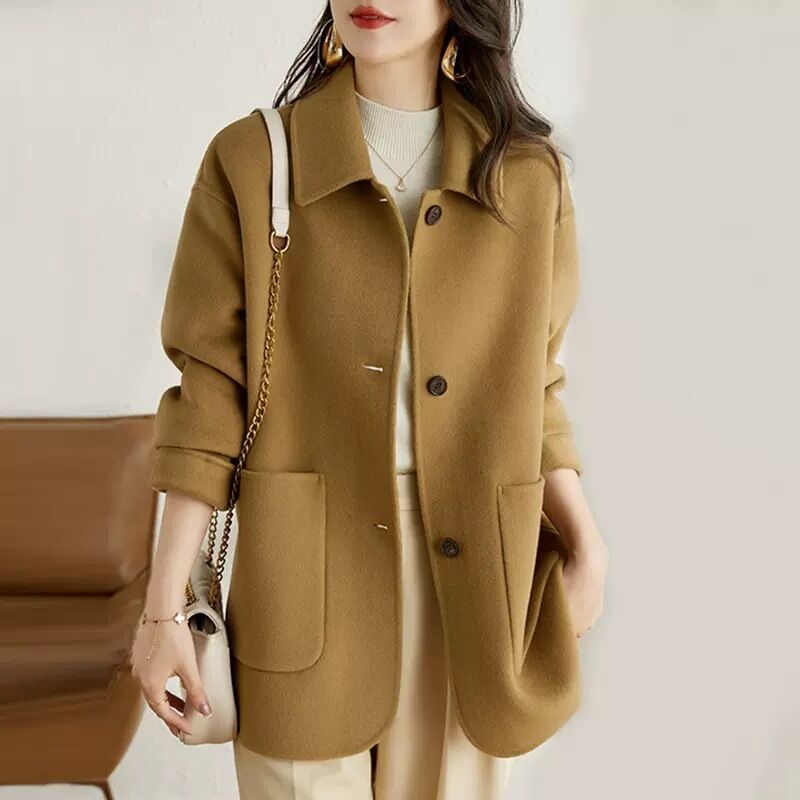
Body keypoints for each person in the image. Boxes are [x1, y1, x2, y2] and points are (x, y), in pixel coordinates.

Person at [131, 1, 609, 798]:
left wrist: (586, 542)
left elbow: (533, 385)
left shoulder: (526, 178)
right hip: (300, 577)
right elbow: (208, 396)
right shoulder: (252, 162)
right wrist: (162, 609)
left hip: (473, 592)